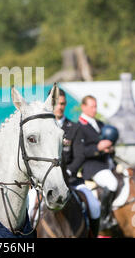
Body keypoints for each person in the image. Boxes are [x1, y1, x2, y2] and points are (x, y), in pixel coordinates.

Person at [53, 89, 100, 236]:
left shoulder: (75, 127)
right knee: (28, 208)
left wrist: (67, 172)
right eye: (56, 103)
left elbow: (79, 156)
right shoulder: (41, 127)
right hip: (45, 182)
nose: (59, 107)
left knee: (94, 205)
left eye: (62, 103)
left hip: (71, 179)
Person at [77, 95, 117, 230]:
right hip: (92, 166)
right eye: (91, 106)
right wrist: (98, 148)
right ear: (83, 107)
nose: (94, 109)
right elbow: (81, 151)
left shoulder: (100, 124)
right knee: (112, 184)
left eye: (95, 106)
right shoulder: (78, 127)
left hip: (108, 163)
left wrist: (110, 148)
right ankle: (105, 218)